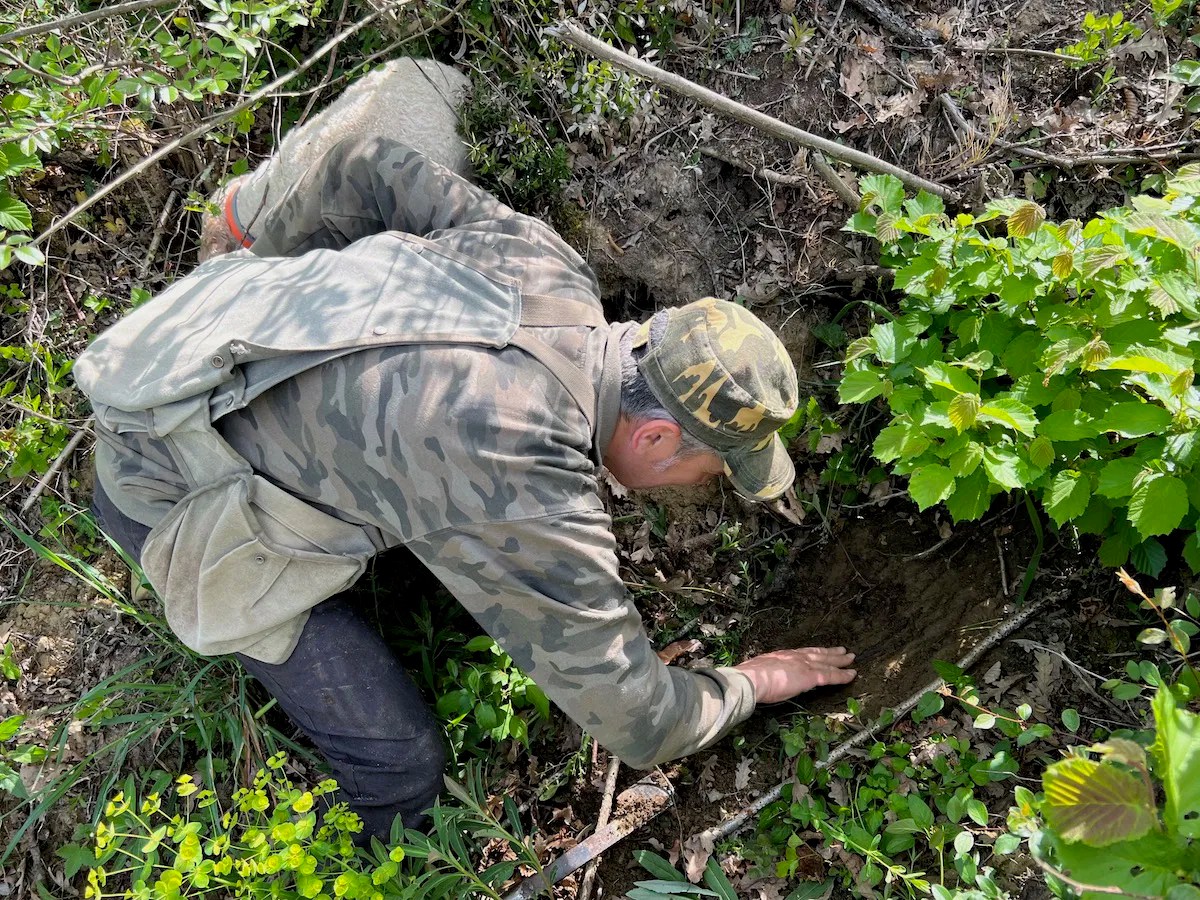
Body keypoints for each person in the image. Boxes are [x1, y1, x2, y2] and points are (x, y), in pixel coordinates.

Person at [76, 134, 856, 840]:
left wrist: (247, 238)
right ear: (655, 436)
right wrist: (750, 682)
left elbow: (368, 162)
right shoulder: (524, 473)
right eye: (710, 469)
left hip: (166, 349)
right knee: (406, 768)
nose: (701, 486)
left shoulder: (547, 265)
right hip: (165, 484)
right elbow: (639, 722)